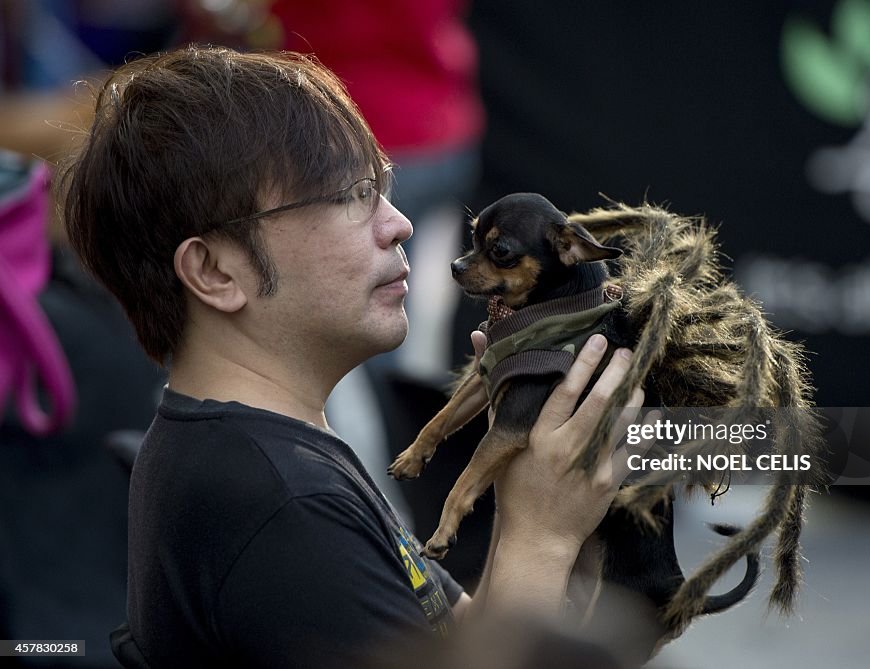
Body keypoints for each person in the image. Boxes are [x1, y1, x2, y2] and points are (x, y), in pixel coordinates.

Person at [58, 46, 640, 668]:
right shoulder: (282, 505)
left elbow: (465, 638)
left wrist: (523, 477)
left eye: (383, 189)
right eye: (349, 195)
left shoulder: (273, 454)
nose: (398, 224)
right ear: (215, 270)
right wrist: (542, 538)